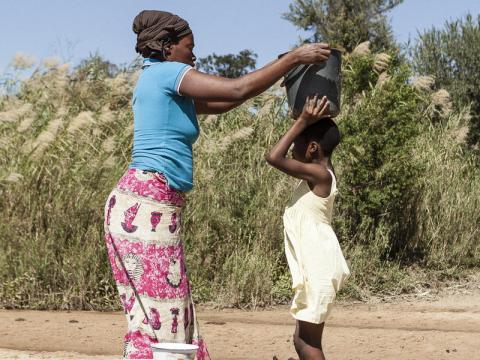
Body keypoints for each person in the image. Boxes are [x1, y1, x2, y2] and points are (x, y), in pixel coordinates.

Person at [102, 9, 332, 360]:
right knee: (163, 318)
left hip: (152, 207)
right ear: (166, 47)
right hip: (145, 206)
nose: (194, 55)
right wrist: (292, 59)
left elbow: (231, 100)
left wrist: (282, 67)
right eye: (188, 47)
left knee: (169, 313)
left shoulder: (160, 82)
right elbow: (237, 86)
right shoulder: (167, 73)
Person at [265, 95, 350, 360]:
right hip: (321, 264)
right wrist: (310, 118)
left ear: (312, 148)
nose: (291, 148)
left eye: (296, 142)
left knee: (306, 342)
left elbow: (273, 157)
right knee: (303, 339)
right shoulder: (321, 170)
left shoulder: (320, 175)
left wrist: (302, 120)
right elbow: (326, 134)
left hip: (321, 266)